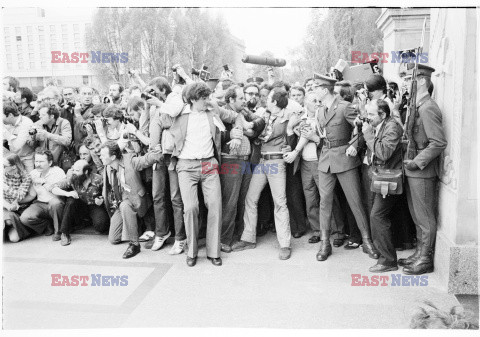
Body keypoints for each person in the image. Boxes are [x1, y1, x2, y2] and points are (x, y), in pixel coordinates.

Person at [169, 82, 237, 267]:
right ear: (192, 99)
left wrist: (237, 134)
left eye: (208, 97)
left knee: (215, 205)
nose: (207, 101)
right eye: (203, 98)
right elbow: (164, 106)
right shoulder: (179, 114)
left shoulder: (212, 111)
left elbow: (235, 116)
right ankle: (191, 252)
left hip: (209, 164)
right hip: (186, 166)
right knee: (190, 208)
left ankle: (214, 252)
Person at [313, 74, 379, 261]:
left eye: (316, 88)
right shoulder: (320, 111)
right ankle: (325, 243)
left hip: (345, 157)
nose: (314, 91)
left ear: (324, 89)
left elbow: (362, 126)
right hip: (326, 159)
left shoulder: (344, 107)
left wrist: (354, 144)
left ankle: (367, 241)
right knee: (324, 202)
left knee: (355, 201)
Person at [232, 88, 297, 260]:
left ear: (275, 101)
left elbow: (297, 135)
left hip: (276, 161)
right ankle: (248, 238)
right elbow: (256, 129)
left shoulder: (290, 115)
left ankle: (284, 244)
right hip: (262, 161)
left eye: (268, 98)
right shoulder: (266, 115)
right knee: (250, 198)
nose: (265, 99)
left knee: (280, 202)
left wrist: (292, 147)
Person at [400, 64, 448, 275]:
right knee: (416, 214)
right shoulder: (417, 106)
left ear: (420, 81)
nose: (404, 82)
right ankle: (420, 252)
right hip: (414, 168)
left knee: (425, 216)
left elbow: (438, 143)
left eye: (407, 78)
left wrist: (417, 162)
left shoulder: (428, 107)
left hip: (423, 170)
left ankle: (425, 258)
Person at [98, 141, 163, 259]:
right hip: (120, 202)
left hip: (135, 200)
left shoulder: (130, 160)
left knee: (125, 206)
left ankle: (134, 244)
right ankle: (135, 227)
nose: (100, 157)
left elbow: (145, 160)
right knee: (113, 239)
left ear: (113, 157)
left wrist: (160, 154)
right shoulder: (107, 167)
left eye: (103, 155)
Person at [219, 85, 265, 252]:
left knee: (243, 200)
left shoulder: (243, 112)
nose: (244, 100)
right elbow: (218, 135)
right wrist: (241, 131)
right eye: (240, 98)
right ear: (231, 99)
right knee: (230, 202)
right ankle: (224, 239)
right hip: (230, 161)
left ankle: (239, 236)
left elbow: (261, 123)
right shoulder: (223, 112)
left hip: (244, 160)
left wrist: (248, 128)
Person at [360, 100, 404, 272]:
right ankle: (385, 254)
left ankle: (388, 260)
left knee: (377, 216)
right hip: (381, 177)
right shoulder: (383, 124)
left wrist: (368, 136)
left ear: (383, 115)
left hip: (389, 178)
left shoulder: (392, 127)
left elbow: (384, 153)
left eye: (371, 114)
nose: (368, 118)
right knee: (378, 215)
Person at [51, 160, 109, 246]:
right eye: (73, 170)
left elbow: (109, 193)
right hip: (79, 206)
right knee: (71, 201)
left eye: (77, 171)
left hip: (94, 205)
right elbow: (53, 188)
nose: (74, 172)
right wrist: (67, 193)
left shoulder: (98, 179)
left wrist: (102, 200)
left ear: (86, 172)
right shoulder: (73, 179)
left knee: (101, 226)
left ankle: (87, 222)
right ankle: (64, 233)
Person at [20, 149, 66, 240]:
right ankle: (46, 225)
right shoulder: (33, 173)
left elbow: (59, 191)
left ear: (50, 162)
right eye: (36, 161)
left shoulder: (58, 172)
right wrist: (17, 201)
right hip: (40, 203)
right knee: (24, 218)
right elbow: (32, 195)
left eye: (41, 161)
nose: (38, 164)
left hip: (56, 202)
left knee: (55, 203)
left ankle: (59, 232)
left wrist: (43, 182)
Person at [3, 153, 35, 242]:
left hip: (18, 207)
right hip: (4, 205)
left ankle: (10, 229)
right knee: (7, 220)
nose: (2, 167)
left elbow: (20, 195)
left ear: (13, 166)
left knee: (14, 238)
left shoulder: (26, 176)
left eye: (4, 165)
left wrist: (5, 187)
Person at [3, 101, 35, 172]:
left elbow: (17, 146)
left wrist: (3, 130)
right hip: (14, 159)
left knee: (30, 180)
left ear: (10, 115)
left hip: (26, 159)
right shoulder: (8, 123)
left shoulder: (26, 123)